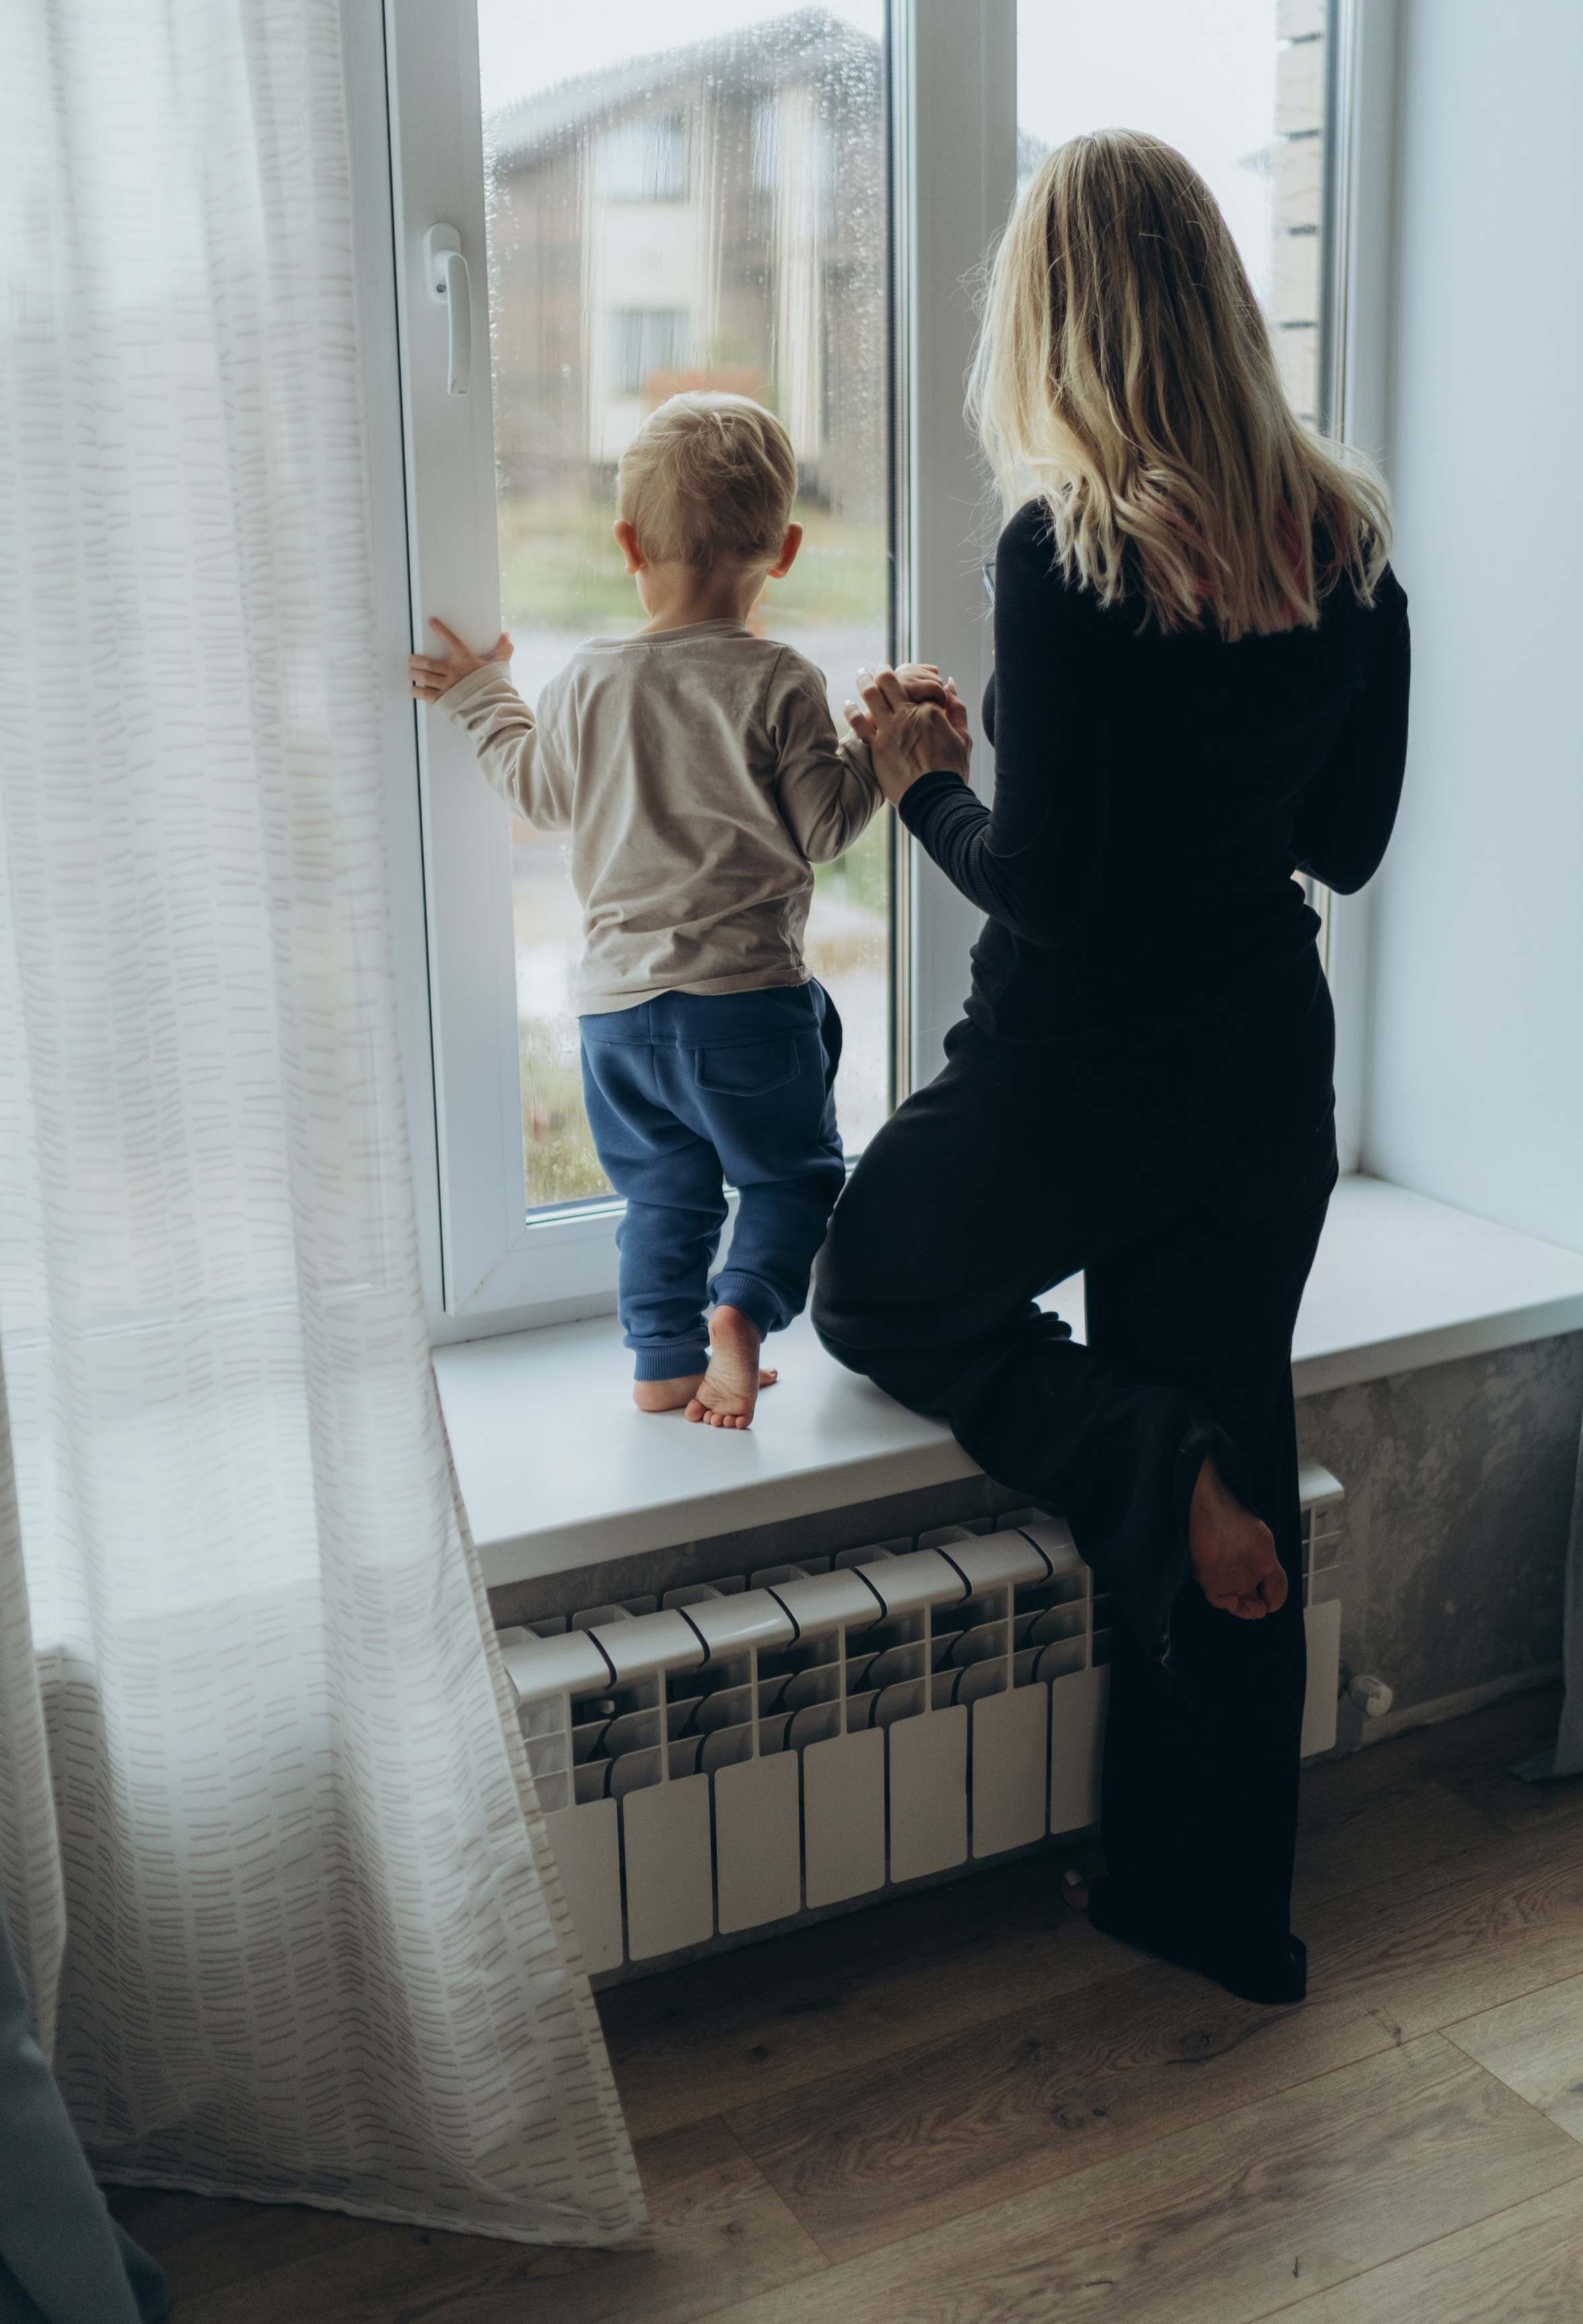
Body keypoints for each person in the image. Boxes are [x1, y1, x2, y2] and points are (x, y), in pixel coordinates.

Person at [816, 132, 1410, 2005]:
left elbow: (1056, 897)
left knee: (870, 1284)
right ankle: (1216, 1917)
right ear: (1224, 307)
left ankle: (1148, 1460)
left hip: (1076, 1080)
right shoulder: (1350, 544)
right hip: (1259, 1074)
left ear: (1053, 322)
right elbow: (1351, 841)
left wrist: (927, 789)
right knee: (1236, 1421)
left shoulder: (1064, 555)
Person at [410, 391, 948, 1427]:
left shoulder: (586, 681)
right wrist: (877, 752)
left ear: (625, 545)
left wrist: (481, 693)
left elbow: (536, 790)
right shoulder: (781, 681)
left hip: (615, 1018)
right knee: (792, 1180)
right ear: (784, 551)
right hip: (743, 1007)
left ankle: (663, 1364)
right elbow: (826, 828)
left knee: (663, 1196)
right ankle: (741, 1317)